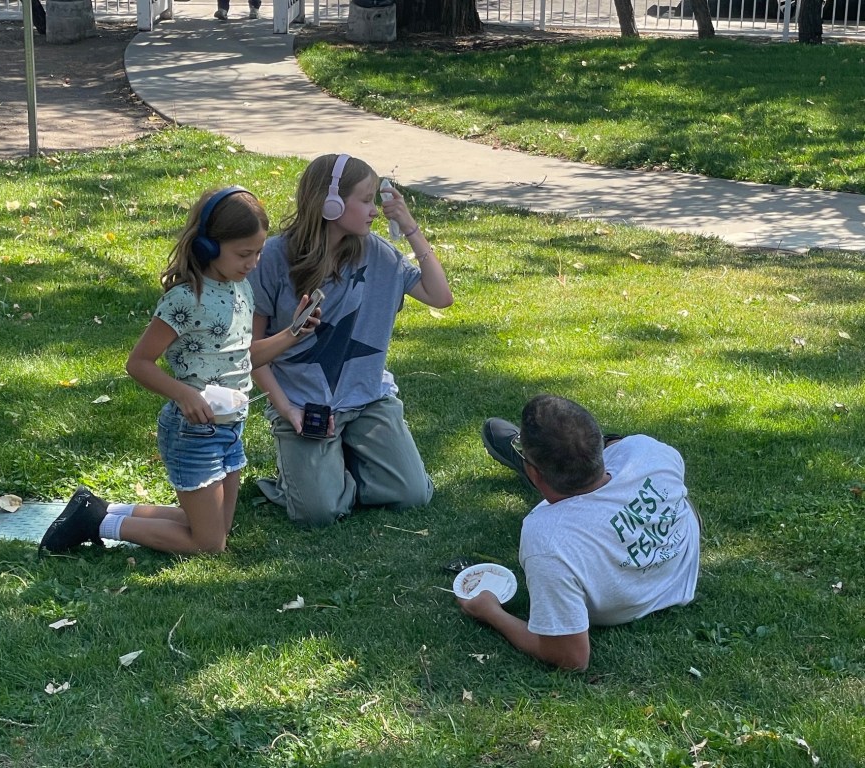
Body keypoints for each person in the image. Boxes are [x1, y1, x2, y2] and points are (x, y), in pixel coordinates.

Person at [39, 186, 320, 556]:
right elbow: (138, 364)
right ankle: (95, 522)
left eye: (258, 252)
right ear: (207, 246)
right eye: (243, 253)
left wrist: (293, 333)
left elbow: (242, 356)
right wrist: (184, 393)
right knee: (209, 545)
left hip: (230, 427)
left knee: (217, 529)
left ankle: (100, 509)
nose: (253, 262)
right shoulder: (186, 299)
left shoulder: (241, 288)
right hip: (194, 433)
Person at [248, 153, 454, 527]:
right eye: (365, 199)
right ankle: (312, 472)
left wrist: (410, 226)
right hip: (303, 404)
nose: (375, 210)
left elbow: (440, 296)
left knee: (413, 494)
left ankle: (337, 461)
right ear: (330, 203)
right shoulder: (274, 258)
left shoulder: (379, 253)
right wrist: (287, 410)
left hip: (368, 398)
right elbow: (252, 353)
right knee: (318, 513)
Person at [460, 395, 701, 671]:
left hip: (630, 602)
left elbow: (572, 657)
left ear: (533, 473)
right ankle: (565, 464)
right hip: (680, 564)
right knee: (621, 450)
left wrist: (490, 612)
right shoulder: (647, 449)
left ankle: (548, 466)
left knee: (557, 504)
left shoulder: (547, 538)